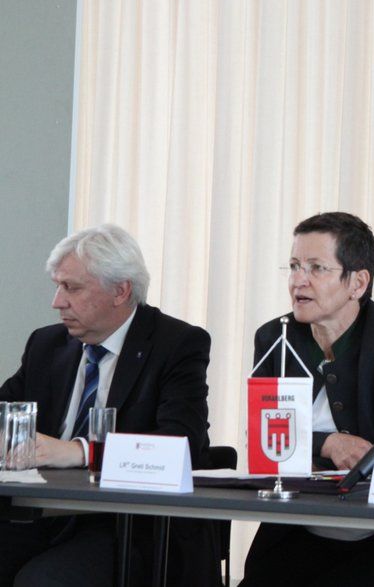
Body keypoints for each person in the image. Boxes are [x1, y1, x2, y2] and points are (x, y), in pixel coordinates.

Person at [0, 224, 220, 587]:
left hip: (127, 525)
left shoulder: (177, 344)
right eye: (58, 286)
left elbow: (180, 443)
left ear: (120, 290)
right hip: (42, 514)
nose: (57, 301)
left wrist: (81, 451)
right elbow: (7, 409)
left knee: (44, 581)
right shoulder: (46, 344)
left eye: (71, 288)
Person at [240, 212, 374, 587]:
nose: (298, 280)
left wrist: (310, 447)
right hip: (295, 531)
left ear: (358, 283)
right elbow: (265, 443)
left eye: (316, 268)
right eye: (294, 266)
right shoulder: (274, 338)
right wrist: (328, 443)